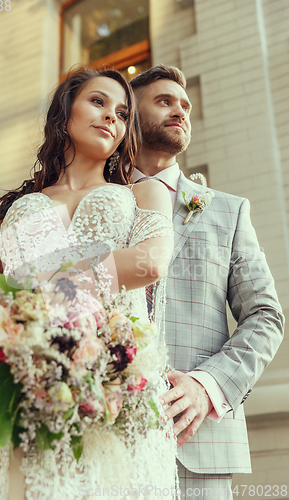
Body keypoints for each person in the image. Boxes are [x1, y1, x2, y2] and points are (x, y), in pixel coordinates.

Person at [0, 68, 177, 500]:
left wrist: (32, 287)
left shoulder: (142, 195)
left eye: (121, 113)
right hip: (29, 397)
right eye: (98, 102)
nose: (111, 117)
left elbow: (151, 262)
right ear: (65, 112)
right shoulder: (4, 215)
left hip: (114, 392)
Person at [130, 64, 284, 499]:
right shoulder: (96, 203)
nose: (180, 111)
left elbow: (266, 316)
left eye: (185, 105)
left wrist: (206, 386)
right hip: (102, 437)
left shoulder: (228, 212)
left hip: (197, 445)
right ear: (129, 115)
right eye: (164, 101)